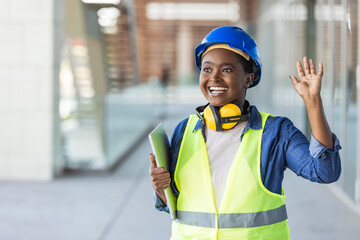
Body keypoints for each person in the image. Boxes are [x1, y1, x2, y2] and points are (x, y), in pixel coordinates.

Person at [149, 26, 341, 240]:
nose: (214, 78)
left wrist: (313, 102)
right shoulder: (184, 130)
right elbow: (179, 205)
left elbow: (325, 172)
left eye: (227, 70)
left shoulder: (275, 133)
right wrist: (161, 189)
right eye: (207, 69)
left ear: (248, 79)